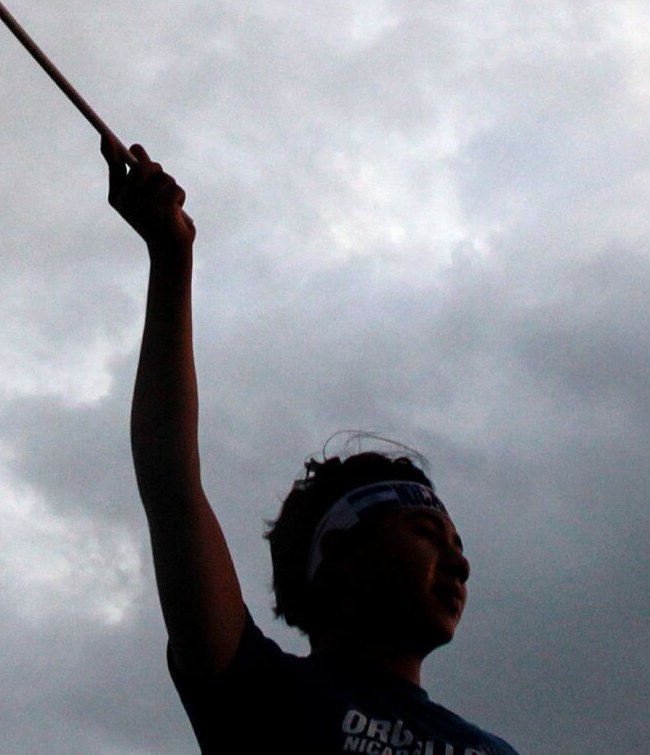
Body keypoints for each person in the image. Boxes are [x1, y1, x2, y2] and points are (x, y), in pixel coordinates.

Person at [106, 139, 521, 755]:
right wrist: (172, 260)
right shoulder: (265, 693)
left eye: (455, 546)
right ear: (340, 552)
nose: (459, 566)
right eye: (426, 535)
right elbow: (172, 487)